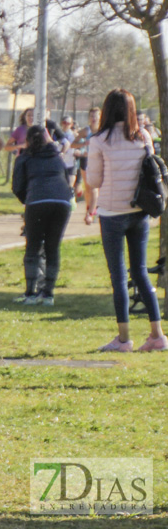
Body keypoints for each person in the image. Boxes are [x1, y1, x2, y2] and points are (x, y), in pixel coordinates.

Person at [85, 89, 167, 352]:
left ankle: (123, 339)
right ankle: (157, 335)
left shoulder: (99, 140)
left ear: (107, 110)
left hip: (111, 213)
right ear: (132, 110)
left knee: (119, 277)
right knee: (141, 272)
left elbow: (94, 181)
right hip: (140, 212)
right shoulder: (143, 136)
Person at [12, 125, 72, 305]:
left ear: (28, 140)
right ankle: (48, 294)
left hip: (37, 200)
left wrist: (27, 200)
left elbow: (17, 186)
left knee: (33, 247)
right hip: (62, 202)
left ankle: (30, 293)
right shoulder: (57, 156)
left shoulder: (24, 158)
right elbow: (67, 179)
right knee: (52, 248)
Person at [71, 107, 101, 199]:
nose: (93, 119)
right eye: (91, 116)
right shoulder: (86, 131)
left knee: (97, 187)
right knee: (88, 187)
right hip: (87, 160)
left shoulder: (103, 130)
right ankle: (89, 209)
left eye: (95, 116)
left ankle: (93, 210)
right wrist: (84, 144)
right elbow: (72, 144)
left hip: (100, 160)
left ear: (100, 117)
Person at [58, 115, 79, 188]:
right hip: (60, 164)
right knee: (61, 187)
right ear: (61, 123)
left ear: (71, 124)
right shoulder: (57, 134)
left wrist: (77, 151)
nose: (66, 125)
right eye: (64, 122)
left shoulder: (74, 135)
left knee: (70, 188)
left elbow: (80, 147)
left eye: (68, 123)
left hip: (71, 163)